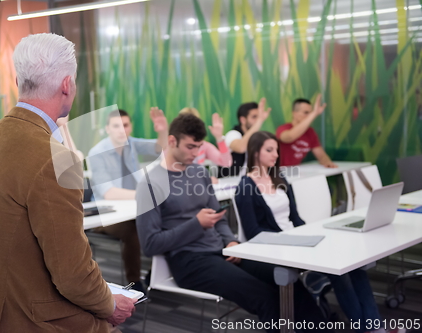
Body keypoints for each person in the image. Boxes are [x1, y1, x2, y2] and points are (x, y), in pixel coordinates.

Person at [0, 33, 135, 333]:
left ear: (19, 82)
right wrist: (110, 304)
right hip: (19, 319)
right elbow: (72, 275)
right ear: (67, 85)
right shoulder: (58, 159)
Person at [135, 114, 333, 333]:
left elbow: (218, 217)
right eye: (190, 147)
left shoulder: (199, 173)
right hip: (189, 260)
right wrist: (196, 224)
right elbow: (150, 244)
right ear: (172, 141)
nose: (196, 153)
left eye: (199, 147)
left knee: (287, 278)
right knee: (265, 297)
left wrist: (230, 241)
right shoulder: (150, 184)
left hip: (221, 251)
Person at [235, 131, 386, 333]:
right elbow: (253, 232)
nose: (275, 155)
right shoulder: (246, 187)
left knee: (354, 266)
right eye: (269, 150)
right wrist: (288, 239)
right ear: (255, 152)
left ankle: (373, 327)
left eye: (276, 150)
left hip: (297, 240)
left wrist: (308, 234)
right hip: (277, 247)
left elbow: (295, 218)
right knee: (339, 271)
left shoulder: (278, 178)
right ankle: (366, 329)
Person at [87, 107, 168, 292]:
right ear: (107, 128)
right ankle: (135, 284)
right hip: (105, 214)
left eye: (125, 125)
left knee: (164, 220)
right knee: (134, 229)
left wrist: (162, 130)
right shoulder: (96, 152)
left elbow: (160, 147)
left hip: (132, 207)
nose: (121, 130)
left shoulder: (131, 143)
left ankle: (155, 273)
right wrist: (144, 195)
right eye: (116, 126)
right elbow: (108, 193)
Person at [276, 95, 337, 167]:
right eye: (306, 112)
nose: (309, 116)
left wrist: (328, 163)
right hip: (279, 172)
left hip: (297, 172)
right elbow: (289, 137)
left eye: (310, 113)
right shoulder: (283, 128)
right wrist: (314, 114)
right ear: (294, 113)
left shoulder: (310, 132)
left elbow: (321, 156)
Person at [219, 99, 271, 177]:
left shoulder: (257, 137)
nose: (257, 120)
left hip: (249, 181)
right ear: (243, 120)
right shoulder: (232, 134)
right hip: (229, 183)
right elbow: (241, 148)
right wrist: (260, 120)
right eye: (254, 117)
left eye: (258, 116)